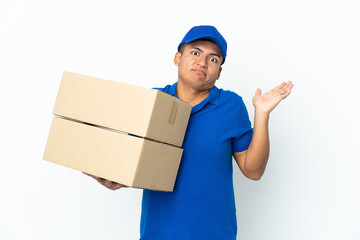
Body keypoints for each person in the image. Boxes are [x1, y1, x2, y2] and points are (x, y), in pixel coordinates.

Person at [85, 25, 294, 240]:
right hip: (158, 235)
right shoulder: (153, 102)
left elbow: (253, 171)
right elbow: (132, 165)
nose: (202, 62)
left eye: (213, 59)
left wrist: (262, 114)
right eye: (195, 53)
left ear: (219, 71)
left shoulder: (231, 106)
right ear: (177, 58)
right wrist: (114, 179)